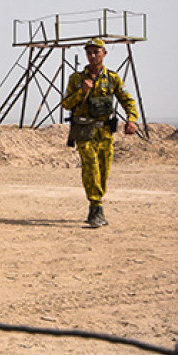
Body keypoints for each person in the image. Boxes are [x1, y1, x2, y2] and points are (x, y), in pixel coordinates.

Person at [60, 38, 138, 228]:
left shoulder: (112, 78)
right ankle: (96, 206)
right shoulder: (76, 79)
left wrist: (132, 119)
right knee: (91, 167)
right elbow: (66, 104)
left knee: (103, 171)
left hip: (105, 132)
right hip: (84, 131)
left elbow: (127, 99)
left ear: (104, 53)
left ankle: (95, 204)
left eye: (96, 52)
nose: (93, 56)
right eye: (89, 53)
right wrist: (82, 91)